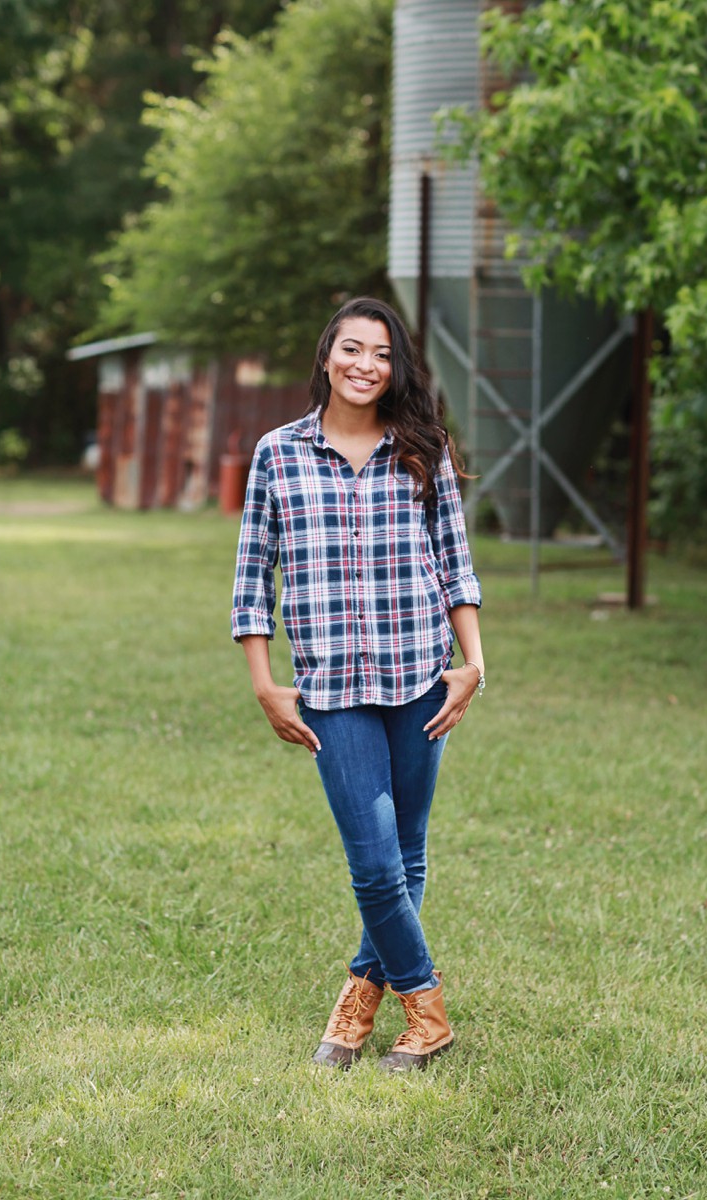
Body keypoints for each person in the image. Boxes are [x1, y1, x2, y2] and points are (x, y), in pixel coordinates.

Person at [231, 296, 484, 1072]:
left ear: (395, 365)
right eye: (351, 349)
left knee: (407, 856)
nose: (365, 365)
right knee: (375, 863)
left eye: (380, 353)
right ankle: (426, 1006)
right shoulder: (278, 453)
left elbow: (455, 564)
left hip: (419, 676)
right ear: (327, 356)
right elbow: (253, 577)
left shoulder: (423, 447)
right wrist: (265, 684)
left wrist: (474, 663)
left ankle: (358, 1002)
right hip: (330, 688)